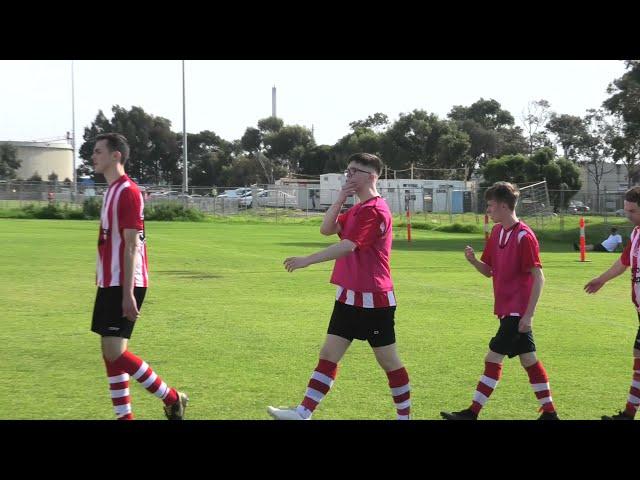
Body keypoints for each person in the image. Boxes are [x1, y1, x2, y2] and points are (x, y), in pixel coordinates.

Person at [267, 153, 411, 420]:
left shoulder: (375, 210)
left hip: (373, 300)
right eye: (348, 170)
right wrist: (341, 198)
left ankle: (405, 417)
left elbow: (347, 246)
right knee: (328, 354)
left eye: (355, 171)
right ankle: (303, 413)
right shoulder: (356, 209)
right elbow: (326, 229)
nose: (349, 175)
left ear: (371, 176)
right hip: (348, 297)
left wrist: (307, 261)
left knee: (388, 361)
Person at [441, 181, 559, 420]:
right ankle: (550, 413)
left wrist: (529, 315)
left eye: (491, 205)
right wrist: (474, 261)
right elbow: (489, 271)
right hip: (506, 310)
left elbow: (539, 277)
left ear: (504, 206)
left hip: (517, 313)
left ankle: (472, 413)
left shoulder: (524, 236)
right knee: (529, 360)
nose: (488, 210)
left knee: (492, 358)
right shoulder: (497, 232)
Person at [91, 133, 188, 420]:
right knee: (110, 351)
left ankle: (172, 397)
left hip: (125, 282)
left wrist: (128, 293)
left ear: (116, 155)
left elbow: (132, 243)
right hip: (110, 281)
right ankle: (127, 416)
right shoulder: (110, 191)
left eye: (98, 151)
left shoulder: (129, 191)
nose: (93, 157)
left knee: (115, 352)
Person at [584, 187, 640, 420]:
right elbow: (622, 262)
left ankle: (628, 414)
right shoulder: (636, 234)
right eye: (626, 210)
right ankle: (628, 413)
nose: (628, 216)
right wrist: (601, 280)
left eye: (633, 211)